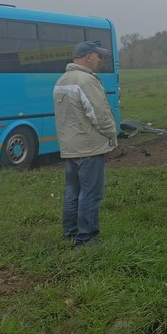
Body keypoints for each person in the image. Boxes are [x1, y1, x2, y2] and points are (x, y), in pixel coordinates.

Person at [53, 41, 118, 247]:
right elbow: (99, 114)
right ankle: (87, 238)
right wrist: (112, 134)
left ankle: (70, 233)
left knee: (73, 191)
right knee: (91, 193)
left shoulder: (62, 80)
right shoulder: (86, 80)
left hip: (70, 146)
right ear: (88, 56)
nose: (100, 60)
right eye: (98, 56)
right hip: (89, 146)